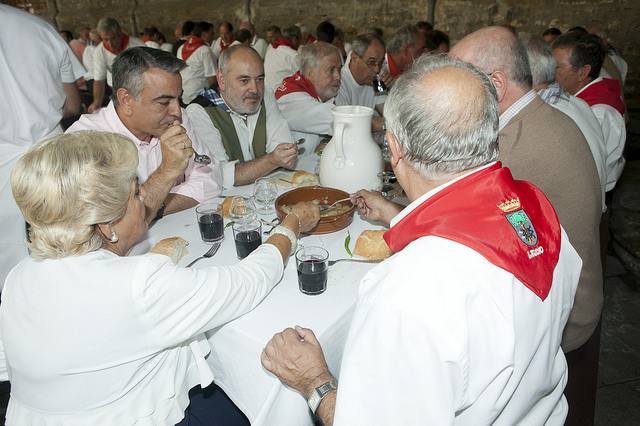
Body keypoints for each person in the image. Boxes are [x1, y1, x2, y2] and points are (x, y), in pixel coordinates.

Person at [261, 54, 582, 425]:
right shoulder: (536, 210)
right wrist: (397, 214)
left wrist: (315, 382)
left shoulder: (407, 291)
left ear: (394, 149)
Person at [1, 130, 320, 425]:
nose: (145, 202)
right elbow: (248, 282)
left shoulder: (19, 276)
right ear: (107, 225)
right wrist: (289, 227)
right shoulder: (140, 284)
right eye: (136, 194)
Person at [450, 26, 603, 426]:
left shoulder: (514, 147)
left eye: (458, 81)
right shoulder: (540, 118)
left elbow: (460, 235)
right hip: (572, 295)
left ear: (495, 85)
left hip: (563, 322)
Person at [67, 47, 221, 221]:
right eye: (164, 102)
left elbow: (212, 176)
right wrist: (166, 172)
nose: (177, 111)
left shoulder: (175, 119)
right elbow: (111, 224)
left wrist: (157, 206)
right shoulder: (83, 142)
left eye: (178, 98)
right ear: (126, 99)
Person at [0, 4, 84, 289]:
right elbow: (72, 103)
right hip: (53, 155)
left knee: (10, 263)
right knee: (71, 247)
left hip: (3, 165)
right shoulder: (38, 27)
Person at [188, 45, 297, 188]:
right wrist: (272, 160)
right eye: (244, 80)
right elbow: (218, 175)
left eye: (259, 79)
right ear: (221, 79)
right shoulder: (199, 112)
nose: (255, 89)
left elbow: (285, 151)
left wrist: (278, 158)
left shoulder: (266, 95)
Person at [526, 37, 607, 209]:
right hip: (589, 212)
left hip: (571, 221)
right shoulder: (577, 103)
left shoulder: (541, 116)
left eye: (558, 66)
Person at [552, 31, 626, 192]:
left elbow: (589, 168)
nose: (552, 72)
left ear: (583, 72)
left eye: (558, 66)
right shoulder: (576, 97)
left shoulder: (601, 112)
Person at [276, 42, 342, 155]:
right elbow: (340, 121)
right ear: (310, 73)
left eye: (339, 69)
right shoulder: (290, 97)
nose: (338, 76)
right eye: (331, 70)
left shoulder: (324, 92)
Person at [88, 17, 144, 113]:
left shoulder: (136, 45)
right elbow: (99, 80)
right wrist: (96, 103)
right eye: (105, 40)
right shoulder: (99, 52)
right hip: (116, 90)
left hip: (139, 88)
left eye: (113, 38)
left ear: (120, 34)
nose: (110, 44)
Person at [335, 32, 386, 130]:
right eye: (371, 62)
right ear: (354, 58)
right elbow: (347, 123)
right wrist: (387, 125)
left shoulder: (377, 80)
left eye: (380, 63)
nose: (377, 69)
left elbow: (388, 111)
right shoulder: (338, 81)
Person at [177, 21, 217, 103]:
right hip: (200, 97)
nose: (213, 36)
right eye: (211, 33)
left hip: (184, 95)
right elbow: (212, 79)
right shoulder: (205, 50)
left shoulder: (181, 48)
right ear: (204, 34)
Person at [264, 25, 302, 92]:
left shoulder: (270, 50)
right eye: (300, 39)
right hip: (282, 96)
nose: (300, 43)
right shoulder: (293, 56)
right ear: (295, 39)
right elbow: (304, 79)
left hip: (267, 94)